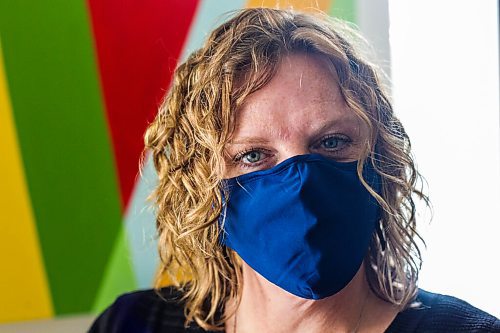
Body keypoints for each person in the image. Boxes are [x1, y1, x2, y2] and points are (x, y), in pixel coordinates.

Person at [89, 8, 500, 333]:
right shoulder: (134, 324)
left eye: (332, 142)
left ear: (381, 161)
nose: (301, 183)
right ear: (202, 184)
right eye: (253, 155)